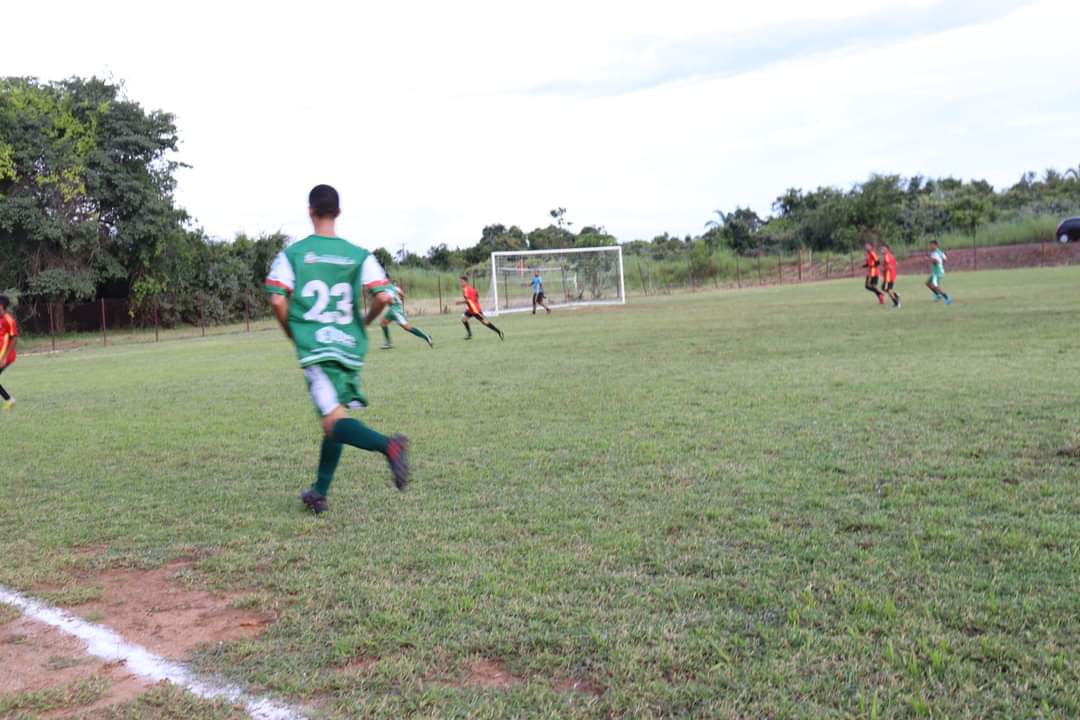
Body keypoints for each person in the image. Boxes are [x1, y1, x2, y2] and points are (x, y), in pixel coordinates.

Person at [265, 184, 409, 515]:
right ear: (338, 213)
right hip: (348, 348)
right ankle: (319, 491)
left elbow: (277, 297)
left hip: (317, 348)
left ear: (310, 211)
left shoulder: (294, 255)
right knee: (335, 416)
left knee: (333, 423)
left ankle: (390, 446)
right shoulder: (359, 254)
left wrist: (292, 330)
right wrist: (364, 321)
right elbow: (385, 296)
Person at [379, 277, 433, 349]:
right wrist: (399, 300)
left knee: (407, 327)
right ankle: (388, 343)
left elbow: (390, 300)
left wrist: (389, 301)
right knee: (384, 323)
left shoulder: (386, 288)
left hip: (394, 310)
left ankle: (426, 337)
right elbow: (402, 294)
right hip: (397, 309)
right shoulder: (394, 287)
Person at [456, 276, 503, 340]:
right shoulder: (472, 289)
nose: (460, 283)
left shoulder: (465, 290)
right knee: (463, 319)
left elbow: (468, 300)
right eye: (460, 282)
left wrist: (459, 302)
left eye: (461, 282)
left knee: (485, 322)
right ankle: (470, 334)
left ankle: (499, 332)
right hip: (471, 309)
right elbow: (477, 295)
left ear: (466, 282)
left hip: (475, 310)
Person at [0, 295, 17, 410]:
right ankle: (9, 399)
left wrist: (4, 358)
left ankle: (9, 399)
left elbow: (14, 339)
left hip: (6, 355)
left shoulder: (9, 320)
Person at [926, 239, 952, 304]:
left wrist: (931, 260)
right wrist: (941, 265)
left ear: (935, 245)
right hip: (937, 271)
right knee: (928, 283)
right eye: (930, 245)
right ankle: (938, 295)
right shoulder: (939, 252)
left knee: (935, 286)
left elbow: (936, 261)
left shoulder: (935, 253)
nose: (930, 247)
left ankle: (946, 297)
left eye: (931, 245)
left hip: (937, 272)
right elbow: (945, 259)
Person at [880, 243, 900, 308]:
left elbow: (889, 266)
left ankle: (897, 303)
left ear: (887, 249)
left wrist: (883, 269)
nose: (882, 250)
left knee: (888, 289)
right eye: (881, 249)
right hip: (890, 275)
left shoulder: (887, 256)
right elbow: (896, 263)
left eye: (883, 249)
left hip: (889, 276)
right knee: (884, 288)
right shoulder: (890, 255)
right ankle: (896, 295)